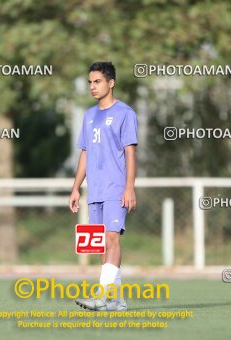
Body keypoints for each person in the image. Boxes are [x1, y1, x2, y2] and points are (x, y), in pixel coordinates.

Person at [69, 61, 138, 311]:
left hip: (115, 188)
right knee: (100, 245)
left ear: (111, 83)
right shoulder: (88, 116)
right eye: (90, 82)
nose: (92, 86)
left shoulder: (125, 113)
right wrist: (76, 187)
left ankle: (101, 296)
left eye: (97, 81)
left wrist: (129, 187)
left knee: (111, 239)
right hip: (95, 190)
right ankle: (117, 301)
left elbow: (130, 153)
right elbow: (85, 153)